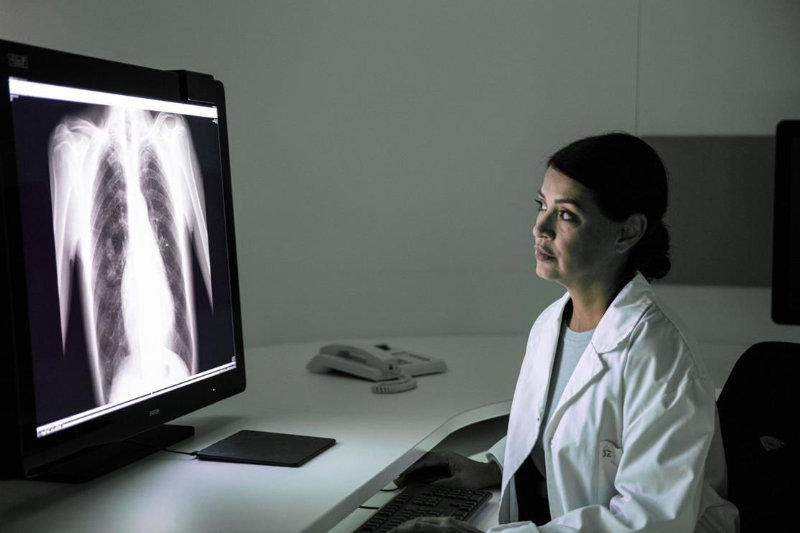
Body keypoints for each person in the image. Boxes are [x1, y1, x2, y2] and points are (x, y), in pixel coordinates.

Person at [389, 133, 739, 532]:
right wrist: (494, 466)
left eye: (567, 215)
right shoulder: (551, 324)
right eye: (542, 205)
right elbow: (562, 431)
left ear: (627, 232)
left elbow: (650, 521)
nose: (540, 227)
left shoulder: (660, 354)